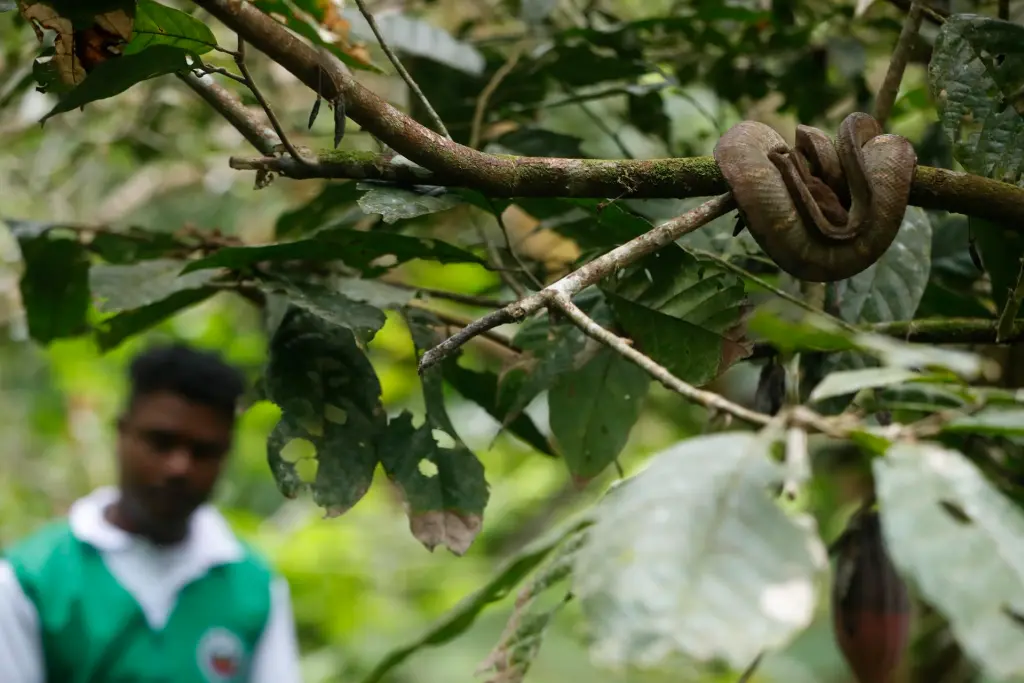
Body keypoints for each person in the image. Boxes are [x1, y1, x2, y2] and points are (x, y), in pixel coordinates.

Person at [0, 343, 302, 683]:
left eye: (203, 452)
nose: (179, 467)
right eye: (161, 442)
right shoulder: (32, 580)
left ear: (225, 455)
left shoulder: (255, 588)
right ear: (122, 433)